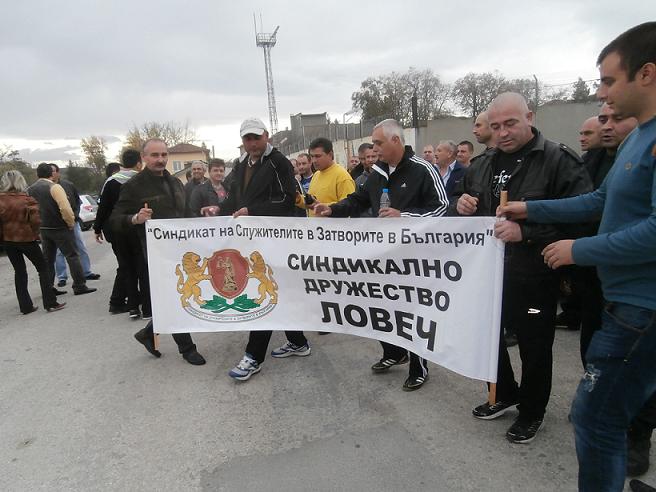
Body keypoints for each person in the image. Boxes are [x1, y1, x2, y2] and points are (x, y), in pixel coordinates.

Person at [500, 23, 656, 486]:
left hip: (642, 308)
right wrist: (530, 206)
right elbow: (599, 201)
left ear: (646, 74)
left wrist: (577, 250)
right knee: (601, 415)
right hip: (621, 302)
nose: (601, 92)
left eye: (609, 80)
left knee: (595, 418)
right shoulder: (638, 139)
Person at [454, 92, 591, 444]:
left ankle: (532, 411)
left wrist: (526, 232)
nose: (502, 133)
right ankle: (502, 392)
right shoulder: (483, 164)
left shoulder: (558, 160)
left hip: (534, 276)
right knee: (486, 337)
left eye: (510, 123)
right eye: (495, 126)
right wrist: (463, 204)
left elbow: (585, 218)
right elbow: (468, 201)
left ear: (529, 116)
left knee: (533, 344)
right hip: (488, 274)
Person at [314, 118, 449, 391]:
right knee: (381, 306)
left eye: (378, 143)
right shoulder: (378, 173)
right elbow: (358, 200)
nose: (374, 149)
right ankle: (393, 352)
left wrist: (405, 217)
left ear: (395, 141)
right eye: (373, 143)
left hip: (414, 256)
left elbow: (442, 209)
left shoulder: (423, 169)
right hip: (383, 255)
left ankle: (418, 366)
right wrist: (332, 209)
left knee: (411, 311)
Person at [220, 117, 309, 381]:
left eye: (256, 137)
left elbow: (286, 201)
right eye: (247, 138)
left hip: (276, 240)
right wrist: (217, 214)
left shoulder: (279, 162)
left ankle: (254, 356)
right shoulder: (240, 165)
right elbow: (235, 199)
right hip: (252, 240)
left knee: (264, 293)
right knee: (277, 292)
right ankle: (298, 341)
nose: (252, 143)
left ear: (266, 136)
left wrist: (253, 211)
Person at [110, 138, 206, 366]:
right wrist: (135, 218)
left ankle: (148, 333)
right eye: (155, 155)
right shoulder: (133, 186)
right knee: (174, 298)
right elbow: (114, 220)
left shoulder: (175, 182)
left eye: (164, 155)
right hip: (153, 255)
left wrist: (207, 221)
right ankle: (187, 348)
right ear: (144, 157)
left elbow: (186, 215)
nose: (161, 160)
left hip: (180, 251)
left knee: (172, 298)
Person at [0, 170, 65, 314]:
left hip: (9, 240)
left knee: (20, 272)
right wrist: (36, 234)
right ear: (20, 181)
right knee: (43, 268)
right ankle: (50, 302)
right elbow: (35, 221)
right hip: (26, 238)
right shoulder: (26, 200)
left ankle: (26, 306)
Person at [27, 163, 96, 296]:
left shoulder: (30, 189)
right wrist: (70, 222)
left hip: (43, 228)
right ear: (51, 174)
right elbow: (64, 207)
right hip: (59, 227)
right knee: (72, 255)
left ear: (37, 174)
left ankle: (48, 287)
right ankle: (79, 285)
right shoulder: (54, 187)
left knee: (48, 259)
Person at [94, 149, 145, 317]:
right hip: (137, 228)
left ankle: (128, 304)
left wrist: (97, 228)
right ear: (139, 162)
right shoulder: (140, 180)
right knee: (140, 267)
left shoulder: (111, 182)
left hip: (116, 230)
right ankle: (133, 303)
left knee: (125, 266)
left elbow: (103, 207)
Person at [51, 163, 100, 286]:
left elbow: (77, 201)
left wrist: (75, 215)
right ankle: (62, 277)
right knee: (59, 252)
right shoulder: (48, 187)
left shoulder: (68, 185)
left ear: (58, 172)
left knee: (80, 247)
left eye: (52, 171)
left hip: (73, 222)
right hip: (58, 225)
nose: (51, 174)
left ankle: (86, 272)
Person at [303, 138, 355, 216]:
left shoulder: (342, 176)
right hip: (316, 227)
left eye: (318, 156)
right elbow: (312, 203)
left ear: (330, 154)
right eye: (312, 156)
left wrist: (327, 207)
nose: (314, 160)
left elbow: (350, 206)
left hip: (334, 227)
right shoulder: (316, 175)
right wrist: (299, 200)